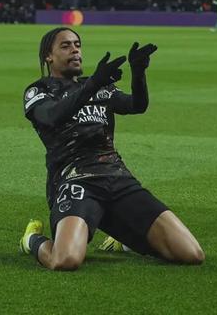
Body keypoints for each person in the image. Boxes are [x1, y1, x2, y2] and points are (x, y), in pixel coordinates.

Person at [19, 27, 204, 270]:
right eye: (66, 45)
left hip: (117, 178)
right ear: (48, 56)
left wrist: (138, 73)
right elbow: (51, 116)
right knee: (64, 260)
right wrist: (93, 84)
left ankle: (121, 237)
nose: (75, 50)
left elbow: (136, 105)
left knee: (191, 253)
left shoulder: (98, 86)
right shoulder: (39, 91)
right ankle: (32, 240)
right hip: (75, 181)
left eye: (77, 44)